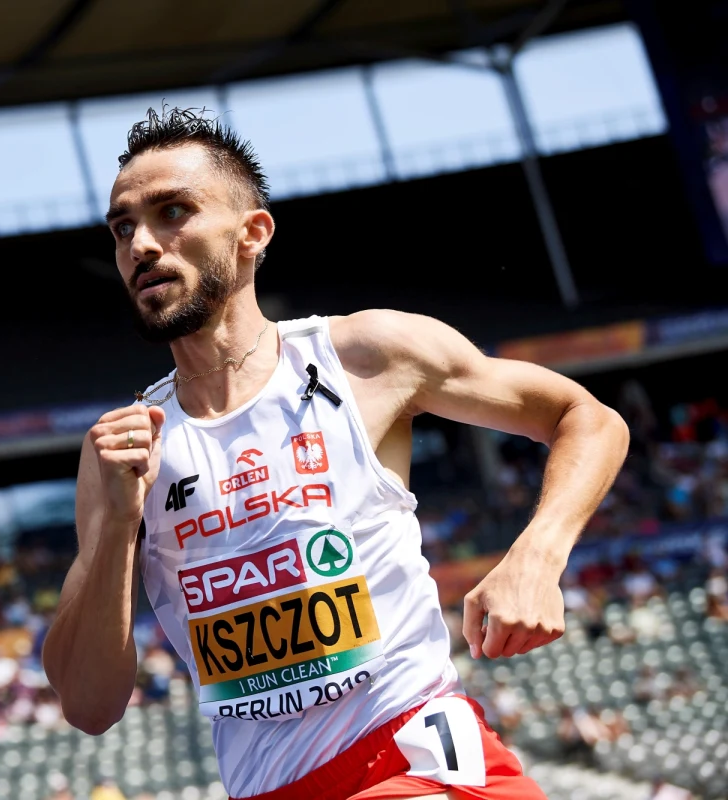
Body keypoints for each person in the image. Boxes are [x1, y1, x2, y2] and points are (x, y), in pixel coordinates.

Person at [42, 107, 629, 800]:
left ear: (252, 233)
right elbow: (87, 706)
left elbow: (586, 417)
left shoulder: (364, 357)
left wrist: (537, 556)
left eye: (173, 212)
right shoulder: (123, 449)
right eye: (122, 227)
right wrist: (115, 525)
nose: (141, 243)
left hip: (414, 761)